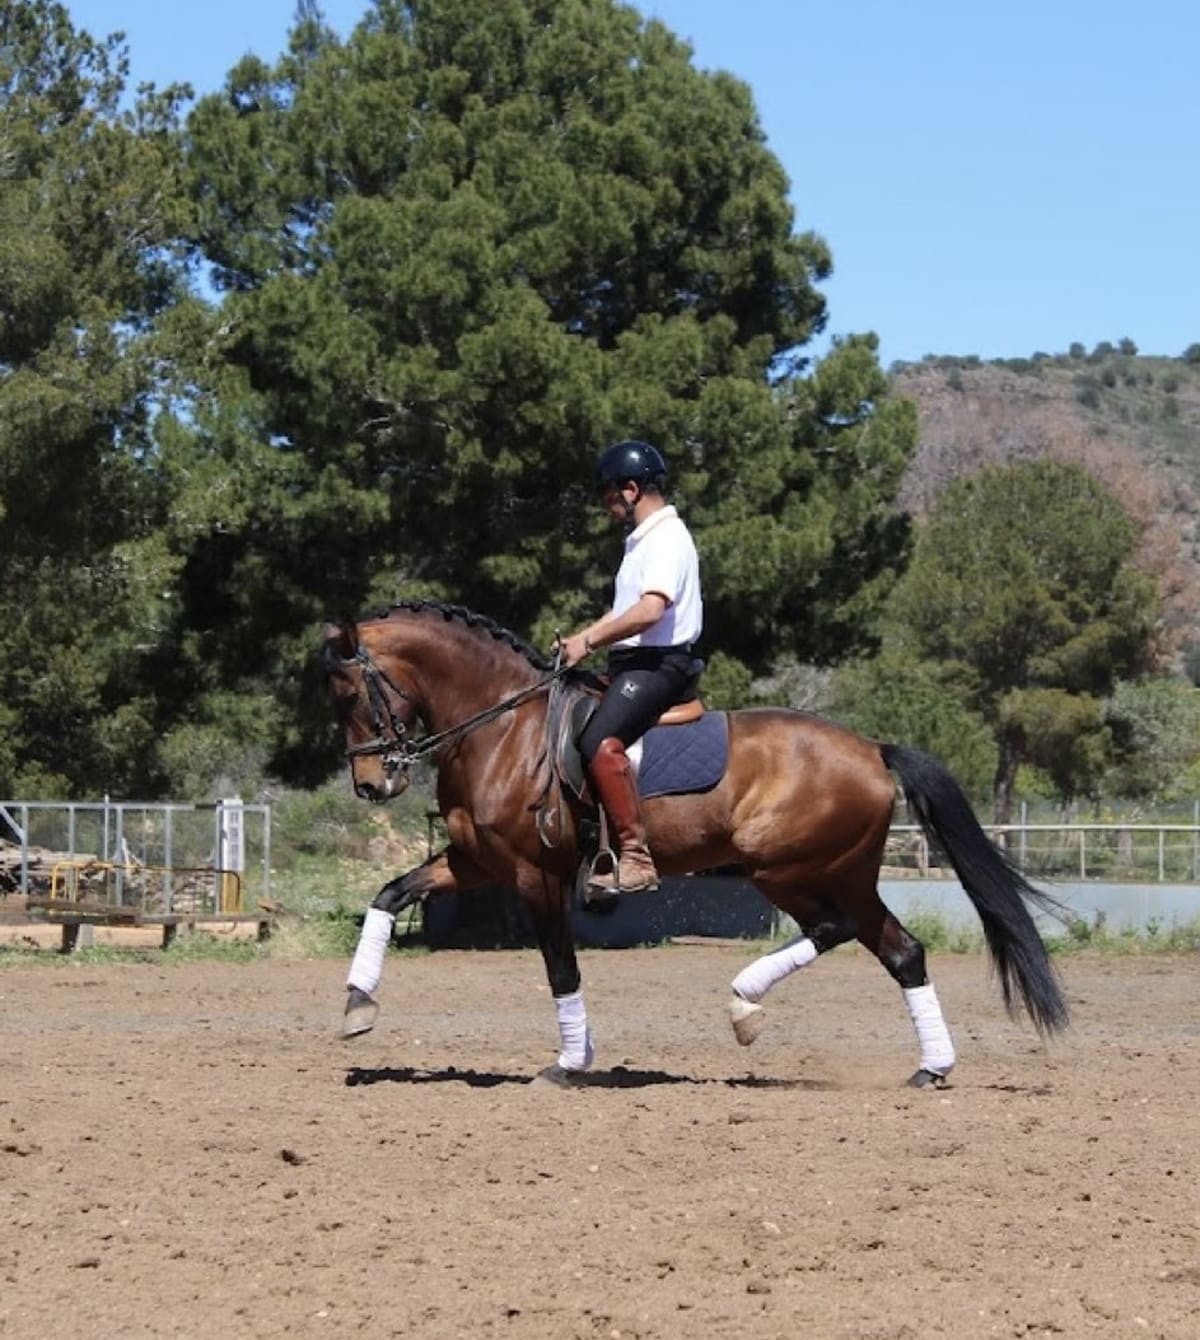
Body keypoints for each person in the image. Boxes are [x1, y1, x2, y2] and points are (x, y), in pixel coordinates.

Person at [559, 440, 703, 894]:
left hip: (661, 666)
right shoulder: (640, 543)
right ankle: (592, 847)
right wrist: (577, 642)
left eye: (608, 496)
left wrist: (590, 639)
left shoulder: (666, 538)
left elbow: (649, 612)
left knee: (600, 742)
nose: (607, 506)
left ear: (632, 489)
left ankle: (636, 856)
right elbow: (623, 610)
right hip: (633, 663)